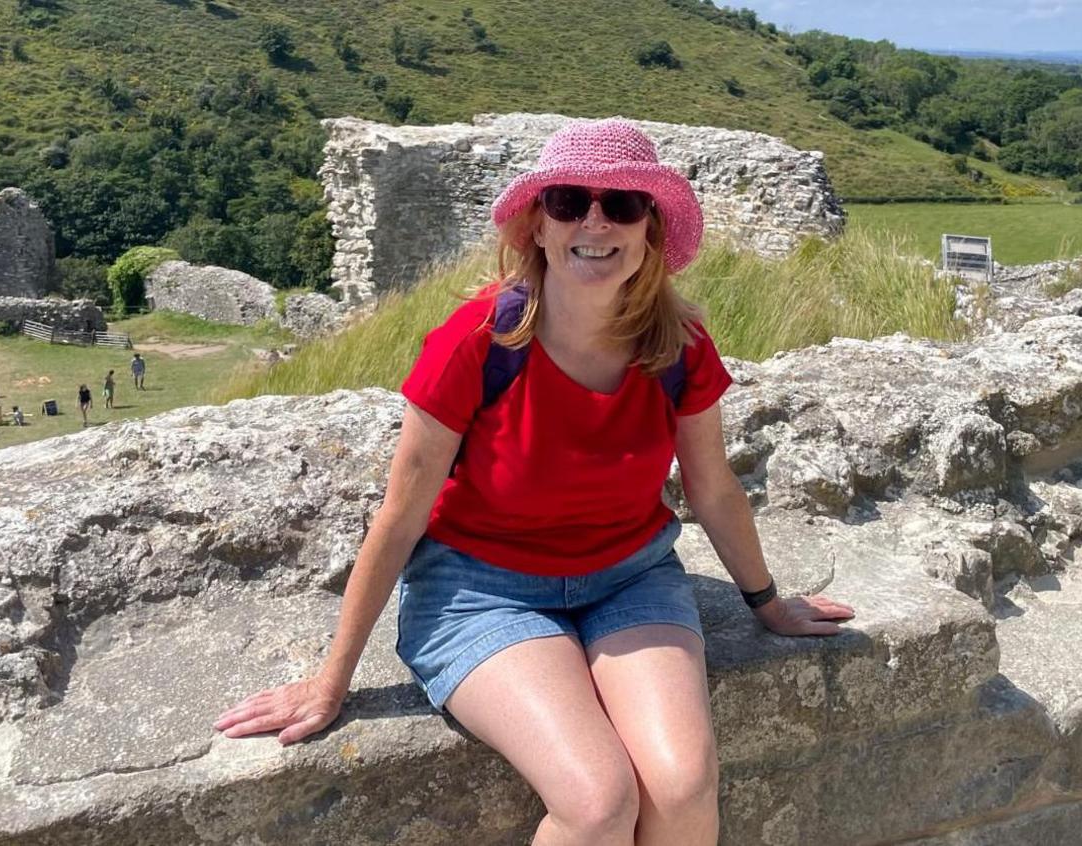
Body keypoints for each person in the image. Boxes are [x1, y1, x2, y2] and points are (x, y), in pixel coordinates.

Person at [214, 118, 855, 845]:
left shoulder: (679, 345)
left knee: (681, 788)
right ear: (536, 227)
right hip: (481, 591)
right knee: (598, 801)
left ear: (647, 228)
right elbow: (401, 517)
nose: (594, 222)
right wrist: (331, 680)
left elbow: (712, 490)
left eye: (621, 205)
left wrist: (766, 604)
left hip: (629, 578)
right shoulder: (476, 342)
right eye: (569, 202)